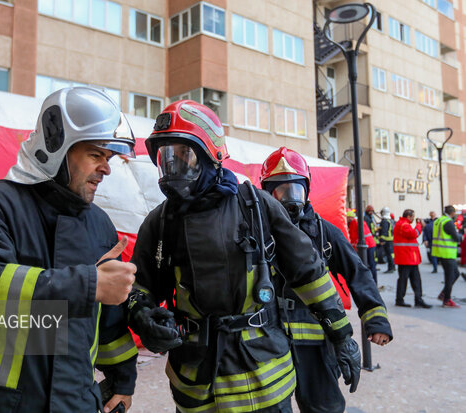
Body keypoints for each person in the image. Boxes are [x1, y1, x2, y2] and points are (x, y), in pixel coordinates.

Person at [129, 101, 361, 413]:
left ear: (213, 156)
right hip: (196, 384)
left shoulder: (257, 206)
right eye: (166, 156)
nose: (174, 166)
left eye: (184, 154)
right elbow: (140, 288)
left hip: (264, 382)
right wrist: (143, 318)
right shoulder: (160, 222)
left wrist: (341, 335)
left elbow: (309, 273)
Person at [0, 87, 139, 412]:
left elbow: (107, 321)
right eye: (96, 155)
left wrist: (123, 380)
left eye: (108, 159)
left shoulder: (100, 226)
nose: (106, 169)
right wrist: (90, 284)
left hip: (74, 404)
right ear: (57, 148)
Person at [262, 148, 392, 413]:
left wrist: (376, 320)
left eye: (294, 190)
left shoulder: (323, 232)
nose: (288, 199)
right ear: (266, 193)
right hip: (269, 342)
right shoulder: (254, 233)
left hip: (316, 343)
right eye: (280, 191)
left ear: (306, 190)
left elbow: (358, 272)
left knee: (324, 408)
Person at [393, 209, 431, 308]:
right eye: (413, 217)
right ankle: (401, 300)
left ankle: (417, 299)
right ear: (409, 216)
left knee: (415, 279)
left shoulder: (403, 224)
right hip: (406, 258)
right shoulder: (404, 224)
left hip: (409, 258)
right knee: (405, 280)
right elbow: (414, 234)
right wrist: (419, 224)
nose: (414, 219)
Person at [432, 205, 462, 308]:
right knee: (450, 277)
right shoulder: (448, 222)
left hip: (441, 252)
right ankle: (446, 299)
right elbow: (456, 237)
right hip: (447, 253)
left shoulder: (439, 220)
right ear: (453, 213)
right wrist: (462, 236)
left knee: (456, 274)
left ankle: (444, 294)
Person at [346, 209, 378, 283]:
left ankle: (369, 282)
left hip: (366, 245)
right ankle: (374, 282)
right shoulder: (359, 221)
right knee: (371, 263)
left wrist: (354, 247)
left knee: (366, 264)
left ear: (349, 217)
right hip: (370, 244)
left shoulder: (354, 223)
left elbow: (354, 237)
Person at [378, 207, 395, 273]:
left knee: (388, 255)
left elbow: (384, 231)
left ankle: (390, 268)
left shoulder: (385, 221)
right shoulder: (390, 220)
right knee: (391, 254)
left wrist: (382, 240)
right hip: (390, 239)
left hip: (386, 240)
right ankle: (392, 267)